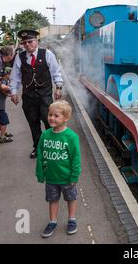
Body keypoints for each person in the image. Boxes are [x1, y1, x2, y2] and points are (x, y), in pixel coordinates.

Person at [10, 29, 63, 159]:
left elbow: (56, 71)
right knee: (33, 123)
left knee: (49, 121)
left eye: (30, 41)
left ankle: (53, 147)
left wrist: (58, 87)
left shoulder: (47, 54)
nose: (27, 45)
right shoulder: (19, 56)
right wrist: (14, 92)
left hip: (44, 95)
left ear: (36, 41)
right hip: (28, 97)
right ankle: (38, 147)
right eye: (24, 42)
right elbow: (15, 76)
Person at [36, 100, 81, 238]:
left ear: (65, 118)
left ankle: (72, 219)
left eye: (56, 116)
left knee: (71, 198)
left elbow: (75, 158)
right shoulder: (45, 135)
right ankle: (52, 221)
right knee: (52, 200)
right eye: (50, 114)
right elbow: (40, 154)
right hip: (51, 178)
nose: (51, 118)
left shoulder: (71, 137)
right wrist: (40, 172)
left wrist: (74, 176)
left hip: (67, 178)